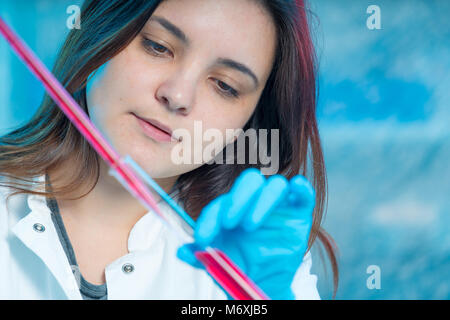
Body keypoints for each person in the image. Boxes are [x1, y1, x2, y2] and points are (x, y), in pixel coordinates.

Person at [0, 0, 338, 299]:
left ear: (250, 121)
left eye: (225, 85)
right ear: (101, 31)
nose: (177, 96)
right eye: (158, 47)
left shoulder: (256, 264)